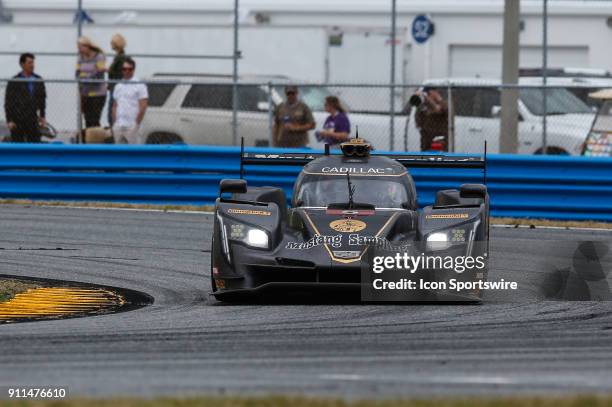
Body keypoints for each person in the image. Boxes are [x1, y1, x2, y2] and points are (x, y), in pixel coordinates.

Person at [4, 53, 47, 143]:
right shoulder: (14, 81)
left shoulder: (38, 79)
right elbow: (8, 102)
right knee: (17, 145)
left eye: (33, 63)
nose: (32, 65)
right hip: (17, 119)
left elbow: (42, 99)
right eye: (29, 63)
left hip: (32, 119)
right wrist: (9, 120)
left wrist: (42, 116)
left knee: (35, 144)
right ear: (22, 64)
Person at [112, 57, 148, 144]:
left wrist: (136, 124)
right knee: (119, 153)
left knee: (135, 153)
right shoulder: (118, 86)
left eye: (129, 69)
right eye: (124, 69)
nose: (127, 71)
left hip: (132, 126)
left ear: (133, 70)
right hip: (119, 125)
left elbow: (143, 106)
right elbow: (114, 106)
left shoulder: (140, 85)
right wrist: (115, 123)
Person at [76, 36, 107, 130]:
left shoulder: (99, 56)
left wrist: (85, 76)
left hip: (98, 93)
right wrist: (90, 74)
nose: (79, 50)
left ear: (87, 46)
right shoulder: (80, 58)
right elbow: (77, 73)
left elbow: (99, 75)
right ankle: (89, 141)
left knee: (94, 119)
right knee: (87, 120)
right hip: (85, 93)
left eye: (80, 47)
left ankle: (96, 141)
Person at [413, 87, 449, 151]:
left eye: (429, 93)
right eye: (427, 93)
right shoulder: (423, 105)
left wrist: (433, 99)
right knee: (425, 155)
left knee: (439, 156)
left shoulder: (442, 103)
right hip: (426, 137)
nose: (427, 95)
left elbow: (439, 109)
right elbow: (417, 120)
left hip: (439, 137)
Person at [107, 33, 128, 126]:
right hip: (114, 86)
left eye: (112, 42)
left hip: (116, 88)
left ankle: (114, 128)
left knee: (113, 110)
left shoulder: (120, 58)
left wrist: (105, 69)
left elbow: (118, 73)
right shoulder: (119, 56)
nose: (110, 44)